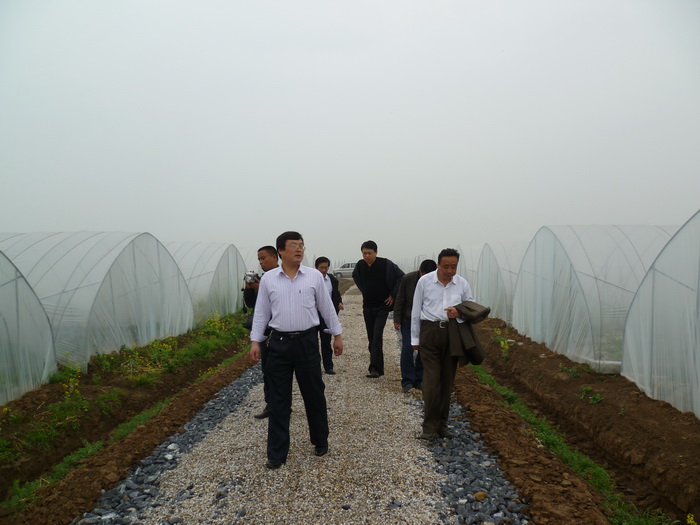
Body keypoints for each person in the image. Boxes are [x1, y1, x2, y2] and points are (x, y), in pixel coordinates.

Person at [249, 231, 343, 469]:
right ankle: (277, 453)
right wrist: (256, 341)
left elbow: (327, 307)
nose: (299, 249)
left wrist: (337, 335)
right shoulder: (269, 279)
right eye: (294, 245)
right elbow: (261, 313)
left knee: (314, 394)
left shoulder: (313, 276)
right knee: (279, 400)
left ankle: (320, 440)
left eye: (301, 245)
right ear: (281, 251)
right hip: (279, 344)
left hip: (307, 343)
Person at [411, 248, 473, 440]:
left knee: (447, 381)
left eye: (453, 267)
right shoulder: (425, 282)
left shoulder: (461, 284)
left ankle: (442, 425)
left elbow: (471, 306)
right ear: (438, 264)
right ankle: (429, 427)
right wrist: (415, 339)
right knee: (431, 382)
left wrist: (459, 312)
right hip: (430, 332)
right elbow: (416, 311)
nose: (450, 271)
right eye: (446, 266)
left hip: (452, 333)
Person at [352, 240, 404, 378]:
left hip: (382, 306)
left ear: (376, 252)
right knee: (371, 337)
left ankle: (374, 368)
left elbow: (401, 277)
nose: (367, 256)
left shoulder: (386, 264)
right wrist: (363, 289)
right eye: (364, 253)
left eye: (369, 253)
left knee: (377, 335)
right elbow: (355, 276)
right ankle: (378, 367)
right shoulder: (360, 265)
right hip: (367, 306)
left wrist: (393, 295)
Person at [243, 245, 279, 420]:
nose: (261, 262)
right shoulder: (262, 279)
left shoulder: (282, 277)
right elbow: (252, 305)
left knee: (280, 372)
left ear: (275, 257)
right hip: (265, 333)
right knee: (268, 370)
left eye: (263, 258)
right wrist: (250, 288)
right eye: (259, 259)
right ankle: (270, 404)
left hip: (279, 333)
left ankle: (282, 405)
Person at [393, 259, 437, 393]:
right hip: (408, 320)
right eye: (424, 275)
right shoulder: (408, 279)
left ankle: (419, 380)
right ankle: (407, 381)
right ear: (420, 271)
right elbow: (400, 298)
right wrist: (397, 318)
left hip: (426, 322)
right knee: (407, 348)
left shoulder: (436, 281)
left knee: (423, 350)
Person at [314, 256, 344, 374]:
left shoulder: (332, 280)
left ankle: (328, 366)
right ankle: (315, 366)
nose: (323, 270)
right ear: (316, 268)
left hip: (326, 315)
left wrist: (339, 302)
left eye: (326, 268)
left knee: (326, 341)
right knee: (312, 342)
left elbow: (336, 293)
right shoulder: (310, 280)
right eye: (321, 268)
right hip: (313, 315)